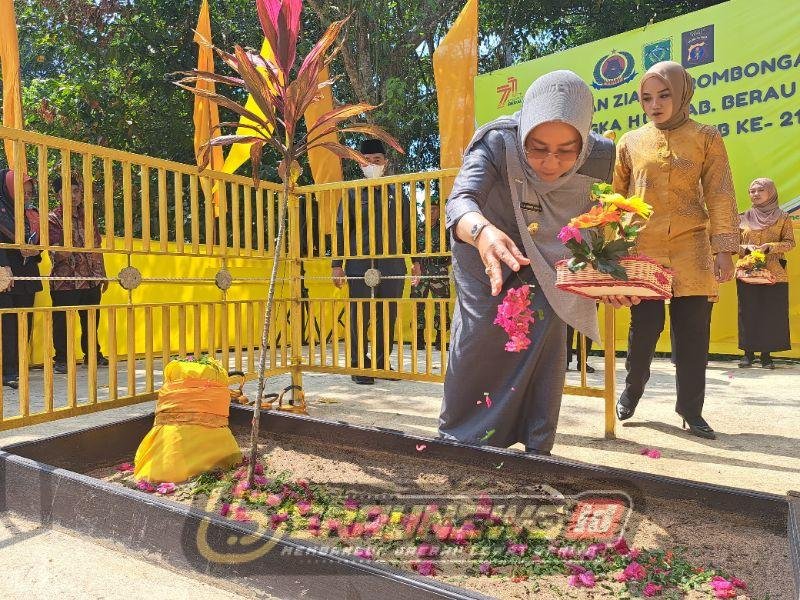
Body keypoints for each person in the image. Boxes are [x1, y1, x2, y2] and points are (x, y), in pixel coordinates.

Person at [439, 71, 616, 456]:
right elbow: (460, 202)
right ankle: (459, 445)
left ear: (584, 140)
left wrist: (604, 276)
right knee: (479, 339)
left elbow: (595, 222)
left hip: (550, 255)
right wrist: (483, 232)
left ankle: (537, 450)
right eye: (537, 148)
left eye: (566, 150)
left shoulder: (601, 155)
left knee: (544, 342)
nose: (551, 162)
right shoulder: (498, 142)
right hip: (485, 247)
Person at [611, 61, 739, 440]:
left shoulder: (706, 137)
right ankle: (633, 389)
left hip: (692, 247)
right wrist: (611, 249)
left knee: (693, 334)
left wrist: (724, 249)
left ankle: (691, 410)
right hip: (644, 248)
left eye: (664, 95)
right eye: (647, 98)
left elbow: (720, 193)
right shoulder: (630, 142)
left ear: (682, 94)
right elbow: (614, 198)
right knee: (645, 328)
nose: (655, 104)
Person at [331, 139, 420, 385]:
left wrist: (416, 260)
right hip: (359, 262)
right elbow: (341, 230)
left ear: (385, 163)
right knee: (360, 313)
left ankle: (381, 362)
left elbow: (408, 229)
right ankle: (359, 364)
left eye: (376, 160)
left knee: (387, 313)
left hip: (392, 262)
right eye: (366, 161)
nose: (371, 164)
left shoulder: (396, 193)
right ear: (360, 164)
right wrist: (337, 264)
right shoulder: (351, 193)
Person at [49, 174, 109, 373]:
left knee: (91, 319)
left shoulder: (88, 216)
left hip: (91, 277)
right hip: (65, 280)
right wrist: (66, 249)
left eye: (76, 191)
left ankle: (92, 355)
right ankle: (62, 359)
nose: (73, 196)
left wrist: (103, 273)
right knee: (63, 322)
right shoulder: (53, 218)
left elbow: (97, 246)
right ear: (58, 196)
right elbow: (54, 251)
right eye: (67, 192)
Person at [736, 178, 795, 369]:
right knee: (748, 312)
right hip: (748, 272)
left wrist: (770, 247)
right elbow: (732, 244)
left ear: (771, 192)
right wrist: (746, 248)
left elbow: (790, 243)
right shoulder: (742, 217)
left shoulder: (783, 217)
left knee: (771, 313)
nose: (755, 194)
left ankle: (766, 356)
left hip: (774, 272)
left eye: (760, 190)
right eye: (751, 191)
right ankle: (748, 354)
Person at [0, 169, 43, 389]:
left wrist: (35, 250)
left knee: (24, 322)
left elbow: (40, 245)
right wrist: (3, 265)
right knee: (8, 324)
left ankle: (18, 368)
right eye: (22, 192)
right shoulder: (1, 213)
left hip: (27, 274)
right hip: (5, 274)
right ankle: (7, 371)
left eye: (29, 192)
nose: (26, 196)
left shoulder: (31, 214)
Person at [411, 195, 451, 349]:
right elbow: (411, 249)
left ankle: (440, 339)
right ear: (423, 211)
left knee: (441, 305)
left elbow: (452, 248)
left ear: (439, 211)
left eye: (435, 209)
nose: (432, 212)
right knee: (417, 304)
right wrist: (416, 264)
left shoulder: (445, 229)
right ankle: (418, 339)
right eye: (428, 209)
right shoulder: (417, 230)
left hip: (439, 269)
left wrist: (445, 263)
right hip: (420, 270)